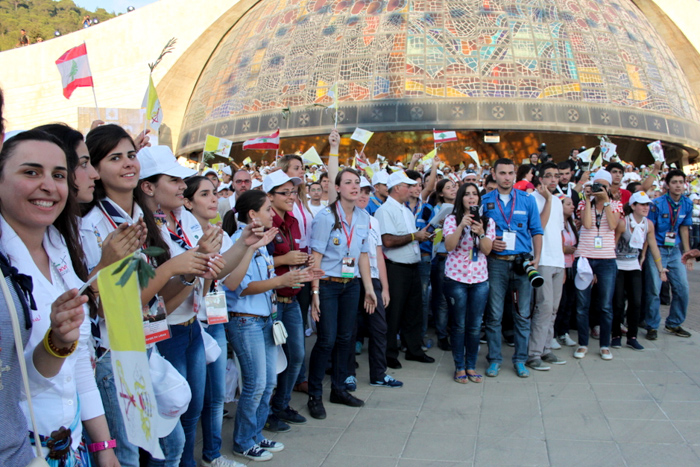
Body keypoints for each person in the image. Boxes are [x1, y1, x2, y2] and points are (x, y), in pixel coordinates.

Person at [0, 130, 119, 466]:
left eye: (58, 175)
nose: (49, 186)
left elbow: (79, 363)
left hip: (72, 446)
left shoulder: (58, 246)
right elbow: (14, 388)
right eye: (30, 172)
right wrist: (55, 343)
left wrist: (104, 447)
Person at [138, 146, 227, 467]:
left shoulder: (184, 219)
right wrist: (192, 269)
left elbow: (200, 277)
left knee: (192, 409)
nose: (181, 187)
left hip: (193, 326)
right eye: (174, 180)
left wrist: (203, 268)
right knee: (169, 421)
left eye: (182, 181)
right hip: (165, 332)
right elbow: (154, 297)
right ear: (148, 187)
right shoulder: (142, 227)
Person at [223, 190, 311, 462]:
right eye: (267, 209)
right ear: (252, 214)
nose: (273, 214)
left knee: (268, 381)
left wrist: (294, 278)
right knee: (255, 383)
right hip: (245, 320)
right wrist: (281, 282)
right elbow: (239, 287)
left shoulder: (262, 240)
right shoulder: (240, 241)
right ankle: (243, 441)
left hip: (264, 318)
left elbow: (266, 276)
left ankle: (255, 434)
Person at [183, 175, 245, 467]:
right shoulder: (183, 233)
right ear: (188, 201)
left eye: (215, 193)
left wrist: (248, 246)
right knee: (191, 401)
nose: (213, 199)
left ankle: (212, 454)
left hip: (216, 318)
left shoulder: (224, 234)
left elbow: (229, 279)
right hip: (190, 321)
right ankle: (184, 459)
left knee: (216, 395)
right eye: (205, 194)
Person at [307, 168, 377, 420]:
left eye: (357, 182)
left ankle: (338, 388)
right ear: (337, 188)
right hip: (327, 284)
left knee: (347, 338)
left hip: (351, 285)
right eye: (348, 182)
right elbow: (315, 256)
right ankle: (314, 394)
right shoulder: (326, 217)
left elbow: (364, 255)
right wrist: (314, 292)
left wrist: (368, 288)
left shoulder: (363, 216)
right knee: (327, 339)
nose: (354, 186)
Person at [481, 158, 543, 378]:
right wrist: (490, 243)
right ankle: (495, 359)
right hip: (496, 263)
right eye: (502, 173)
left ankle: (520, 360)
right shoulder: (485, 200)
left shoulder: (527, 200)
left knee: (522, 314)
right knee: (494, 315)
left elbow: (536, 230)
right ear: (494, 174)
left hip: (522, 264)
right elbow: (478, 232)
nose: (506, 177)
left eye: (510, 173)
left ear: (515, 174)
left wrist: (537, 258)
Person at [260, 170, 312, 432]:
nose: (292, 197)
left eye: (294, 192)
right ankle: (265, 412)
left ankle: (280, 404)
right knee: (272, 362)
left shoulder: (292, 220)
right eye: (286, 192)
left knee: (297, 356)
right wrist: (284, 260)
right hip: (270, 301)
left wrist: (304, 260)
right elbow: (253, 262)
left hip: (291, 297)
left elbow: (296, 251)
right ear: (269, 196)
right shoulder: (263, 222)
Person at [374, 171, 434, 370]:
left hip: (411, 266)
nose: (411, 190)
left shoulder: (406, 210)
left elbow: (409, 237)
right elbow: (388, 240)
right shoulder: (384, 211)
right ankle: (389, 353)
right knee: (394, 313)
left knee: (414, 311)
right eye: (408, 186)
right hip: (396, 268)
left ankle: (413, 349)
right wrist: (415, 236)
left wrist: (421, 237)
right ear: (397, 188)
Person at [348, 177, 403, 388]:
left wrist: (385, 287)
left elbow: (379, 254)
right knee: (350, 329)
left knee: (379, 328)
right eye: (359, 191)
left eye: (366, 192)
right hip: (350, 279)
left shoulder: (373, 221)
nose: (363, 195)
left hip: (372, 279)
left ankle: (379, 374)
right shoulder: (341, 218)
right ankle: (347, 373)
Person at [443, 182, 494, 384]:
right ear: (460, 198)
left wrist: (480, 232)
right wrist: (461, 226)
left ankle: (471, 365)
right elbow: (449, 246)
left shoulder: (488, 221)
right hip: (456, 278)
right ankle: (459, 366)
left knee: (474, 326)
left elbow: (487, 249)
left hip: (480, 279)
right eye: (467, 194)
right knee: (458, 325)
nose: (471, 198)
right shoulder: (451, 219)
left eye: (475, 194)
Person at [572, 170, 621, 361]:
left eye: (603, 186)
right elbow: (587, 225)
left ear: (609, 187)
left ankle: (605, 345)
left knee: (605, 306)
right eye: (597, 185)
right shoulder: (585, 203)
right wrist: (588, 197)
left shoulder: (616, 204)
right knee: (582, 305)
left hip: (607, 259)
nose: (599, 189)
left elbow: (612, 225)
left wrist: (606, 200)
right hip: (584, 258)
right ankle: (583, 343)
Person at [612, 191, 666, 352]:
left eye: (647, 204)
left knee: (636, 301)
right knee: (618, 302)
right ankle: (615, 335)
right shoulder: (623, 223)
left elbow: (653, 246)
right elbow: (613, 244)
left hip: (634, 265)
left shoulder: (648, 224)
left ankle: (632, 337)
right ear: (633, 206)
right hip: (618, 264)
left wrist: (660, 268)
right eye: (642, 204)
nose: (646, 207)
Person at [643, 169, 694, 339]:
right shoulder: (657, 204)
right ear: (667, 185)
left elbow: (684, 228)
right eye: (674, 182)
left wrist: (687, 253)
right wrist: (644, 254)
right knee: (654, 289)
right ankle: (652, 325)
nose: (678, 185)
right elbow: (649, 231)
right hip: (657, 249)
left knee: (682, 288)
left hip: (675, 251)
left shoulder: (687, 203)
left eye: (681, 182)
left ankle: (674, 323)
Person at [527, 162, 567, 371]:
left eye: (556, 175)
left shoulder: (559, 203)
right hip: (540, 261)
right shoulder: (532, 199)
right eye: (549, 176)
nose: (553, 179)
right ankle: (533, 353)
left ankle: (546, 348)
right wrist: (549, 200)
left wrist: (563, 265)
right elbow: (538, 227)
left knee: (553, 309)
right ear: (540, 178)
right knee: (543, 307)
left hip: (557, 261)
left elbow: (559, 233)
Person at [425, 178, 458, 351]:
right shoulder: (437, 210)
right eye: (448, 187)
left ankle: (456, 331)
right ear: (440, 193)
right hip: (443, 257)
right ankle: (442, 334)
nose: (453, 189)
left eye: (454, 186)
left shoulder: (462, 209)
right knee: (443, 299)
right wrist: (442, 229)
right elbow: (430, 234)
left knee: (457, 299)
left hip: (460, 259)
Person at [554, 197, 578, 347]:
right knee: (559, 302)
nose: (572, 207)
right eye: (568, 204)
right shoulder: (555, 224)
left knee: (569, 301)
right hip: (559, 265)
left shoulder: (571, 224)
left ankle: (564, 332)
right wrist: (564, 250)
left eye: (572, 204)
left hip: (572, 267)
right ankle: (554, 333)